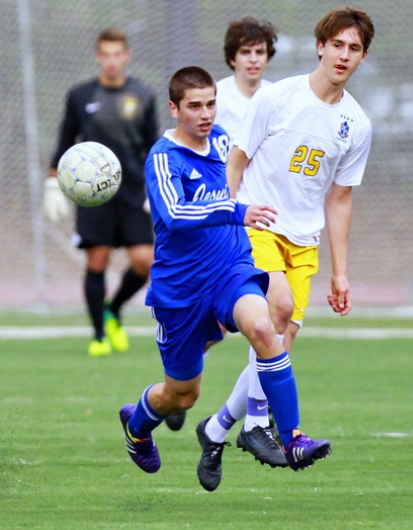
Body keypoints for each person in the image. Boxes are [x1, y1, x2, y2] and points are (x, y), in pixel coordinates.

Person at [118, 66, 330, 491]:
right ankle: (137, 426)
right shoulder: (164, 157)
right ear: (174, 108)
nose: (205, 113)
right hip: (180, 292)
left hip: (230, 270)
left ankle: (290, 437)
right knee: (181, 394)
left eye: (211, 103)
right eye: (194, 106)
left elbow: (261, 169)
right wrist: (236, 211)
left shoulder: (224, 143)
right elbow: (176, 216)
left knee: (264, 327)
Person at [199, 6, 374, 476]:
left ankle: (216, 430)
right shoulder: (278, 98)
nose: (343, 54)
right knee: (275, 308)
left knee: (278, 347)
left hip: (303, 239)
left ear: (362, 58)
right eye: (336, 44)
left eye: (353, 48)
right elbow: (235, 164)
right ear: (320, 46)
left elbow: (339, 200)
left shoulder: (356, 125)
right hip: (257, 222)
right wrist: (224, 227)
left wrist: (340, 272)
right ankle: (259, 426)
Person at [192, 17, 289, 469]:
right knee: (256, 326)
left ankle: (226, 424)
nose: (253, 59)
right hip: (225, 221)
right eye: (245, 52)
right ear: (232, 57)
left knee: (271, 328)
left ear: (268, 57)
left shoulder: (279, 100)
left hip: (266, 220)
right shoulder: (216, 100)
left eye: (260, 52)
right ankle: (197, 385)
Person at [44, 27, 159, 359]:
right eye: (105, 54)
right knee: (98, 260)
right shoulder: (80, 95)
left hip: (134, 190)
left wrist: (157, 186)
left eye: (117, 54)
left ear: (126, 56)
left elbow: (153, 145)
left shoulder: (143, 95)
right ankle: (98, 335)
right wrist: (53, 182)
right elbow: (66, 141)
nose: (111, 61)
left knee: (145, 262)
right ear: (98, 56)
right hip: (93, 194)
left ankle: (114, 308)